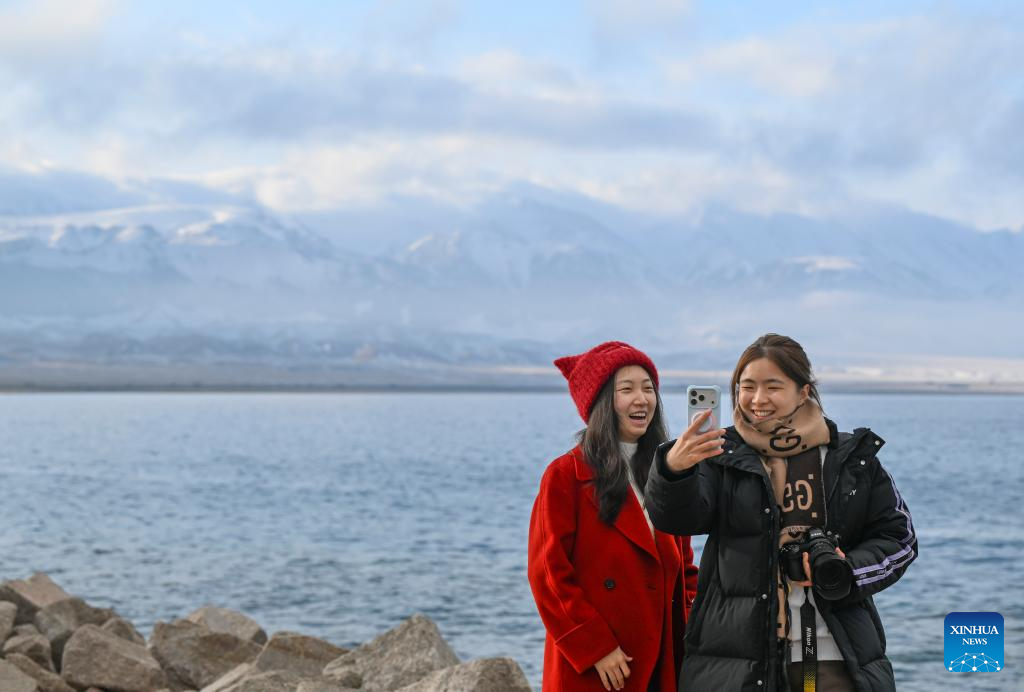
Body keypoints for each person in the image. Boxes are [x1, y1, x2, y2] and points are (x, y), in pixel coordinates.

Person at [645, 334, 917, 692]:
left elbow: (900, 539)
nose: (758, 399)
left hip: (832, 658)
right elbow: (677, 520)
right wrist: (673, 471)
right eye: (747, 387)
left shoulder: (850, 458)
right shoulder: (720, 455)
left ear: (803, 392)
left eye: (773, 386)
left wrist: (847, 571)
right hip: (737, 664)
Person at [528, 341, 699, 691]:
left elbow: (684, 568)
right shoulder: (565, 475)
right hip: (601, 666)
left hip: (663, 659)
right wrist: (595, 646)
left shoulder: (665, 471)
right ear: (601, 402)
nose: (642, 399)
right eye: (627, 389)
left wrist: (695, 627)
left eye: (648, 388)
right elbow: (548, 573)